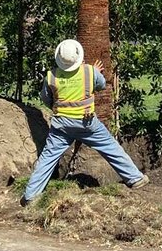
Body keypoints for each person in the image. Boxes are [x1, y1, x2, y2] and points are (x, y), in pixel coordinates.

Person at [21, 39, 149, 205]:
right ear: (78, 57)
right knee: (111, 147)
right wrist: (95, 73)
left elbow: (46, 99)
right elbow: (101, 85)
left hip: (61, 125)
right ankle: (135, 178)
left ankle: (31, 196)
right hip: (87, 123)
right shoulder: (89, 72)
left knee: (47, 158)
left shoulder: (51, 76)